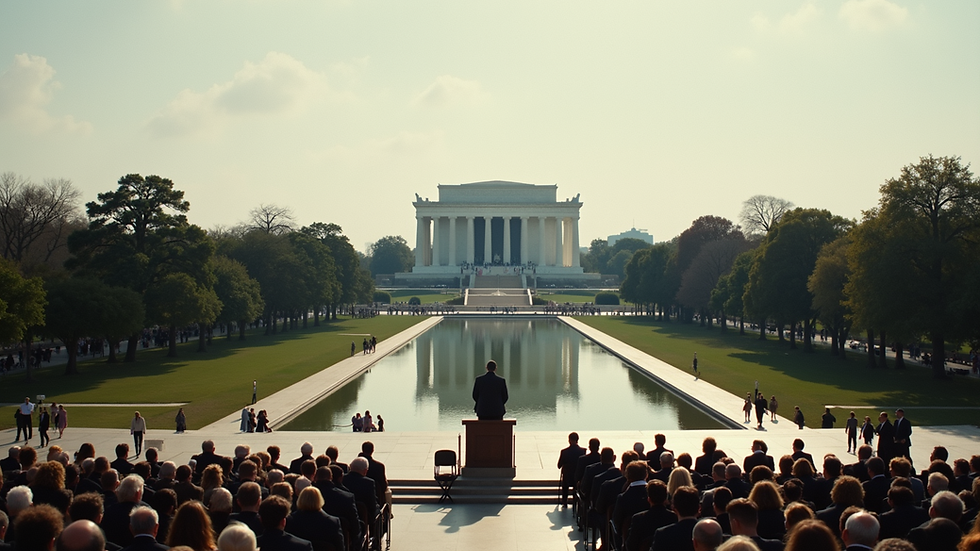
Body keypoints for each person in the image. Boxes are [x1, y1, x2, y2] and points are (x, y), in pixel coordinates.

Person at [558, 432, 585, 507]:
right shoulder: (582, 451)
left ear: (569, 440)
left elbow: (559, 465)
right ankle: (575, 501)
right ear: (577, 440)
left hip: (567, 477)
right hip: (577, 478)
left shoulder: (564, 452)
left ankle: (564, 501)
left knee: (565, 483)